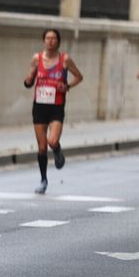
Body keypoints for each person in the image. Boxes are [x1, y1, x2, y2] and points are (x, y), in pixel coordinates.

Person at [23, 27, 84, 194]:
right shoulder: (37, 59)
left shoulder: (65, 59)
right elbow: (28, 82)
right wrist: (29, 78)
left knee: (52, 141)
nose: (50, 41)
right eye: (47, 38)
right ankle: (43, 180)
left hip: (56, 106)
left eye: (53, 38)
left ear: (58, 41)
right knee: (42, 147)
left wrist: (67, 86)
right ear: (43, 41)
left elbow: (79, 76)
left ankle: (57, 150)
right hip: (39, 106)